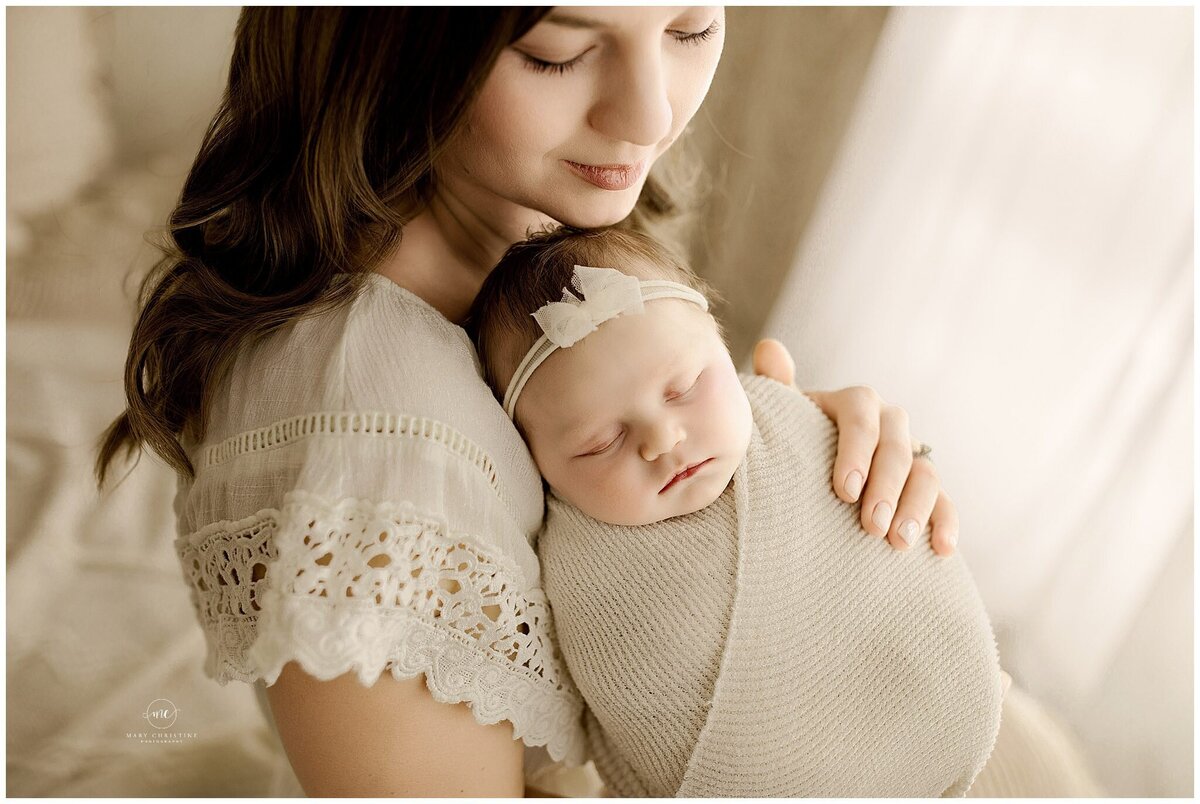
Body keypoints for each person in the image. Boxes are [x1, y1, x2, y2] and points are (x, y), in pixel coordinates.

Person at [96, 8, 964, 795]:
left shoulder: (533, 230)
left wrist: (799, 479)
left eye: (691, 27)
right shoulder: (383, 451)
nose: (651, 116)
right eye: (557, 54)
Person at [465, 225, 1003, 796]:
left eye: (687, 386)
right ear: (537, 466)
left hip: (933, 688)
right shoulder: (573, 572)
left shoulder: (789, 417)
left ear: (724, 347)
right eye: (600, 443)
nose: (663, 438)